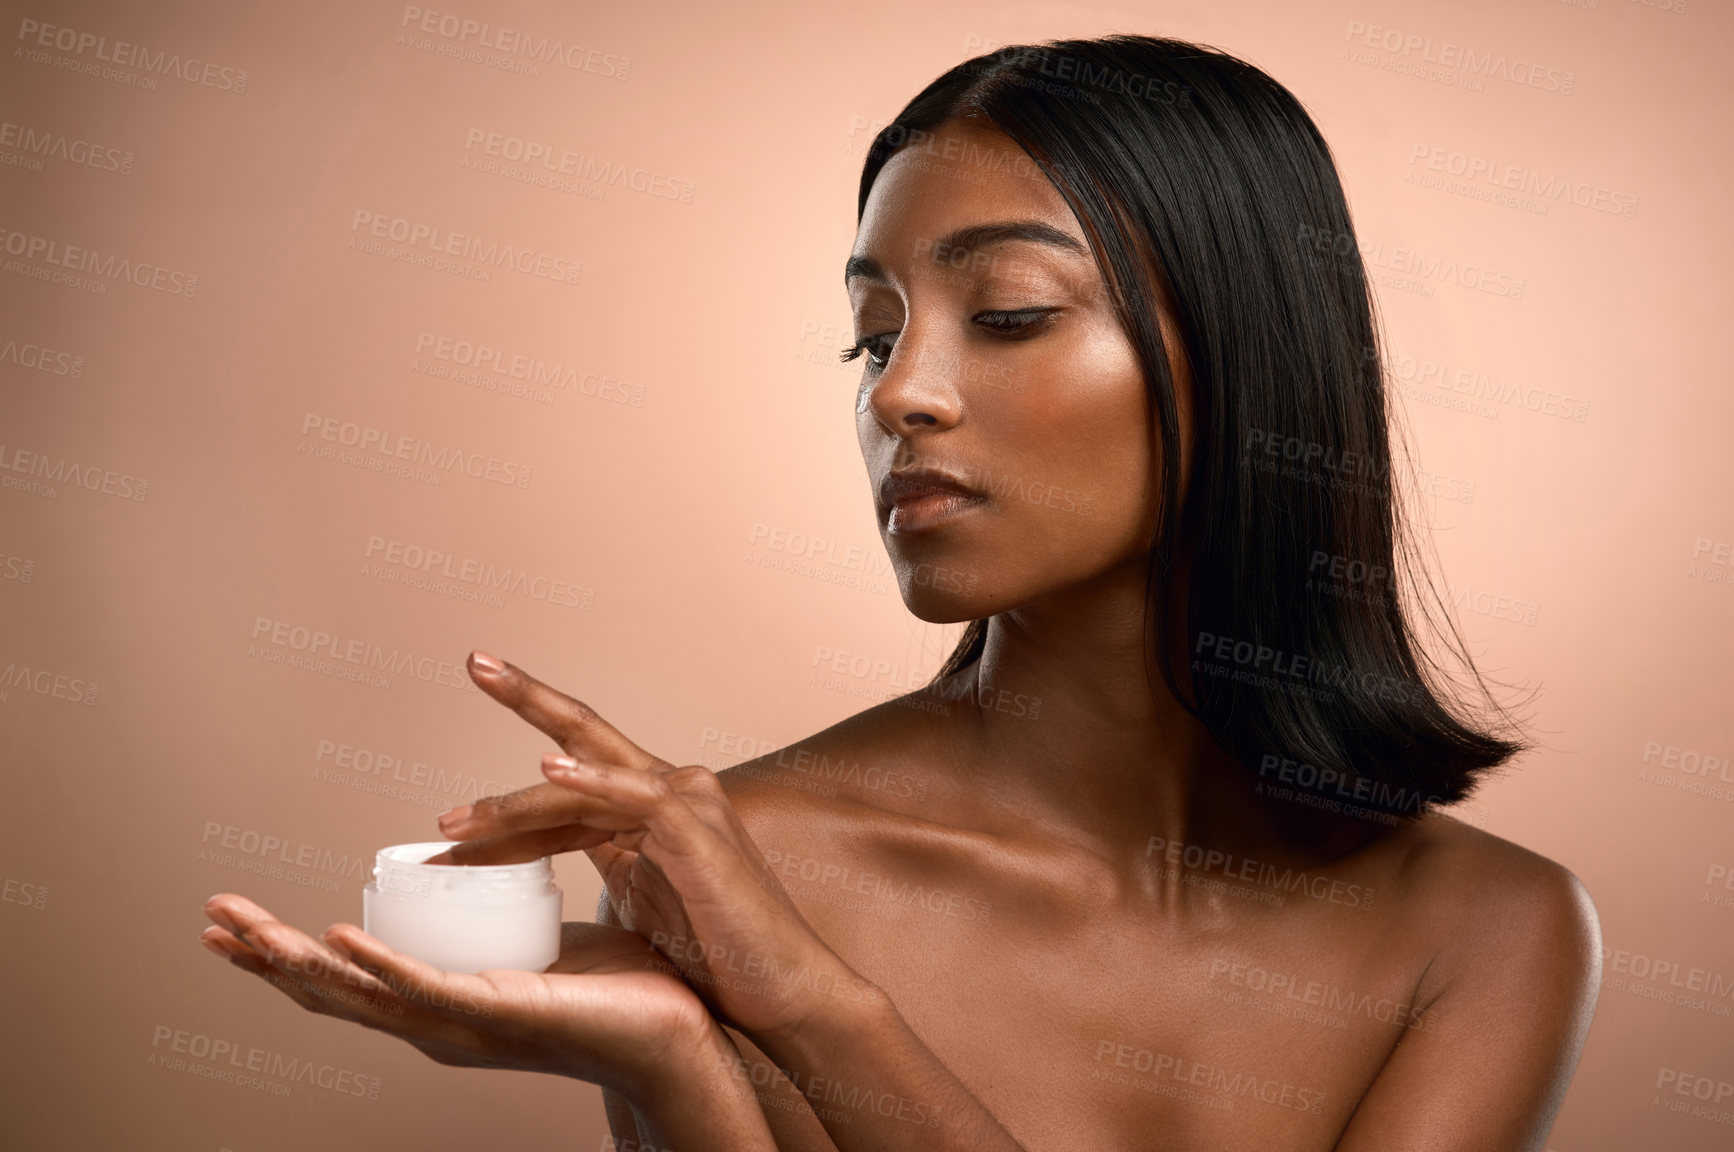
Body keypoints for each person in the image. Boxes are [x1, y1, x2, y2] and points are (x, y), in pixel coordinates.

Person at [201, 34, 1601, 1151]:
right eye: (870, 336)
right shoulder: (740, 871)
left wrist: (805, 1010)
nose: (902, 393)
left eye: (1005, 315)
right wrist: (686, 1060)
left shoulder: (1485, 932)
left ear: (1246, 358)